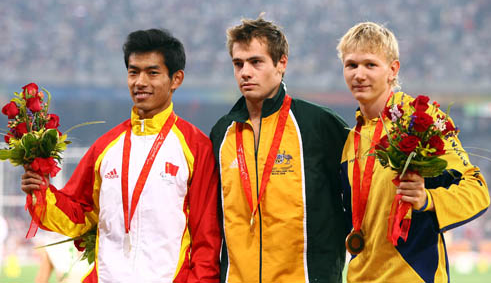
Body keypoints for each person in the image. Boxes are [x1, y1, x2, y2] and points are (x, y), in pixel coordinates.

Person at [20, 29, 221, 283]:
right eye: (133, 71)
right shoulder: (106, 146)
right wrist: (40, 192)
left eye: (152, 72)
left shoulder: (196, 147)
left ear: (176, 79)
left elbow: (207, 238)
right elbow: (79, 215)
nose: (140, 81)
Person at [337, 21, 490, 282]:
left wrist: (428, 200)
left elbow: (477, 191)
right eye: (351, 65)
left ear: (392, 70)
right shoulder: (351, 140)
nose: (359, 74)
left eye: (370, 64)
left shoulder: (422, 120)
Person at [210, 16, 349, 283]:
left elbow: (360, 194)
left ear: (281, 63)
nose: (245, 72)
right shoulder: (222, 133)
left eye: (256, 62)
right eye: (238, 64)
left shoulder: (319, 124)